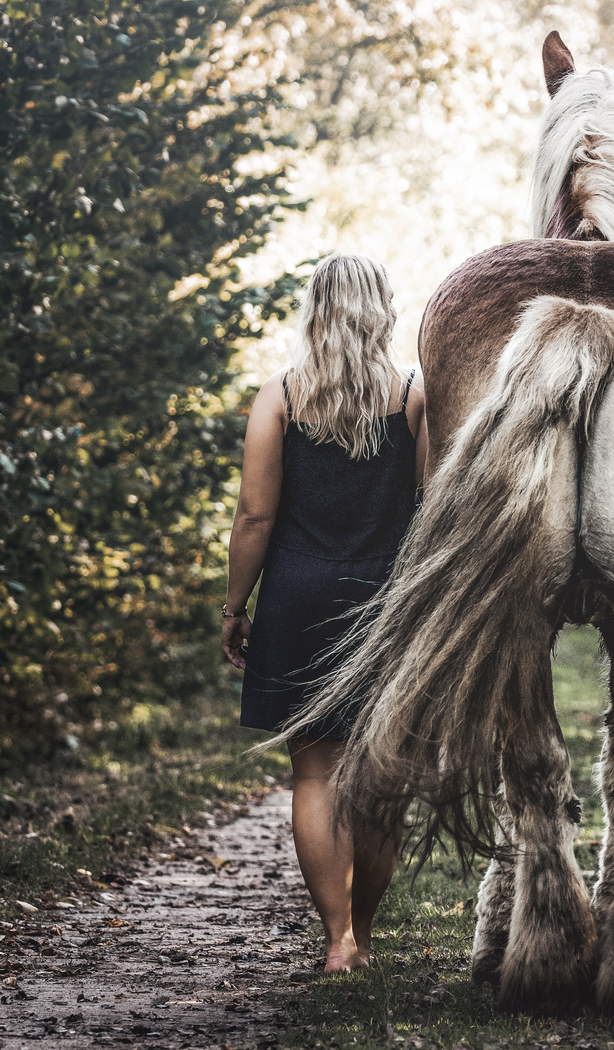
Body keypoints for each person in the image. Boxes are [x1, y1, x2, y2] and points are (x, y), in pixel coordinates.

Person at [220, 252, 426, 972]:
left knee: (314, 776)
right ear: (382, 308)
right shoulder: (411, 394)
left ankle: (335, 940)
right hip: (385, 605)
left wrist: (233, 607)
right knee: (380, 777)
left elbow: (253, 516)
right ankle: (362, 934)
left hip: (297, 599)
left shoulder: (280, 394)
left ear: (314, 307)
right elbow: (431, 509)